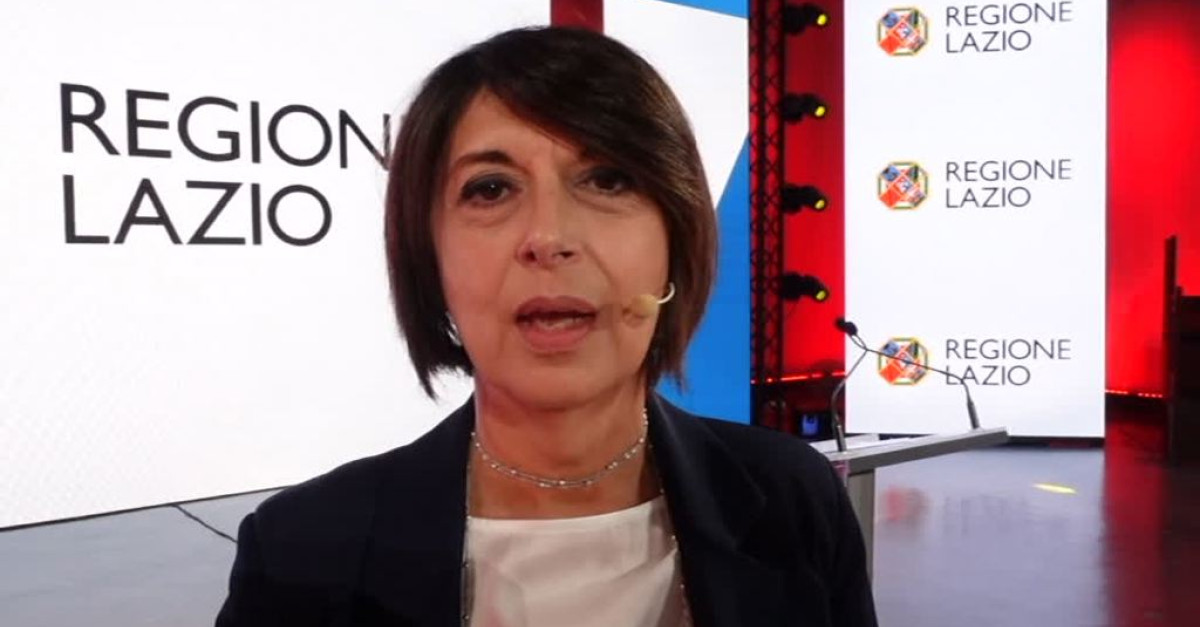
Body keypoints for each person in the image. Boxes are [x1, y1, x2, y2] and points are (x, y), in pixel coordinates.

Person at [215, 26, 876, 627]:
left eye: (608, 180)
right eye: (490, 189)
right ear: (428, 256)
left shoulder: (793, 499)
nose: (549, 237)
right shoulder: (301, 552)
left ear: (675, 237)